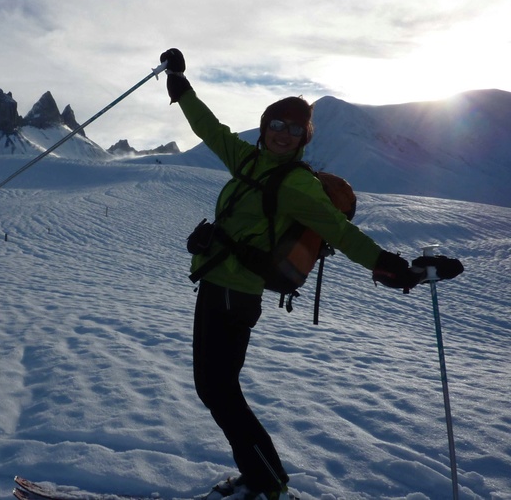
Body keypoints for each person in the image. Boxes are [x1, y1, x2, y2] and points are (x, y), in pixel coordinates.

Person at [159, 48, 420, 499]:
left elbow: (338, 231)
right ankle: (264, 477)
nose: (283, 134)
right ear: (264, 128)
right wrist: (181, 87)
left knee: (218, 391)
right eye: (276, 125)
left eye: (294, 129)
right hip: (218, 288)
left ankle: (266, 482)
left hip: (234, 295)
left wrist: (387, 264)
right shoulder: (248, 160)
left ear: (304, 138)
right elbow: (211, 130)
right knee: (218, 389)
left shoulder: (296, 184)